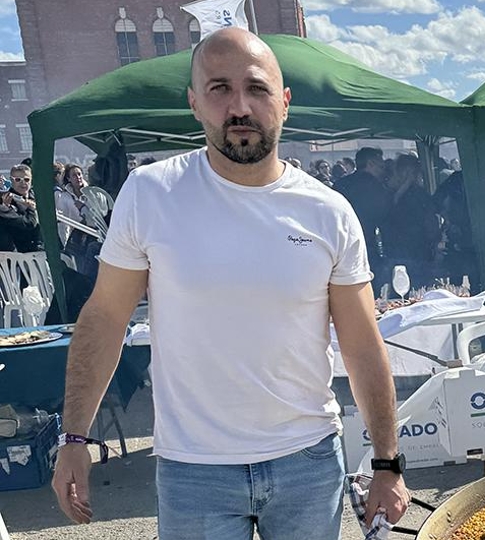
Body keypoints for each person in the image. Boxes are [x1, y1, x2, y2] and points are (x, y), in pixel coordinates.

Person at [51, 27, 410, 539]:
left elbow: (361, 343)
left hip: (306, 462)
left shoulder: (328, 212)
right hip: (193, 469)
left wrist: (387, 463)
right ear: (195, 103)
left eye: (257, 88)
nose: (239, 106)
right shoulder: (151, 194)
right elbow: (106, 318)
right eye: (219, 89)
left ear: (284, 103)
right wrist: (73, 437)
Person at [334, 146, 390, 295]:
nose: (383, 169)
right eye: (380, 164)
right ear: (370, 163)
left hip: (339, 245)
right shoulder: (376, 187)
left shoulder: (340, 184)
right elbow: (384, 215)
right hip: (366, 244)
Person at [381, 153, 439, 290]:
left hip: (394, 251)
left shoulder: (387, 194)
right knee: (420, 293)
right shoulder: (419, 195)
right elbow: (430, 223)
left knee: (398, 293)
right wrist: (435, 243)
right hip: (419, 252)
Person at [0, 164, 40, 252]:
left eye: (26, 180)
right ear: (11, 180)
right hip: (17, 255)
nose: (23, 183)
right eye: (18, 180)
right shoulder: (5, 200)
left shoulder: (37, 197)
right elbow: (28, 224)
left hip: (40, 249)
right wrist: (31, 209)